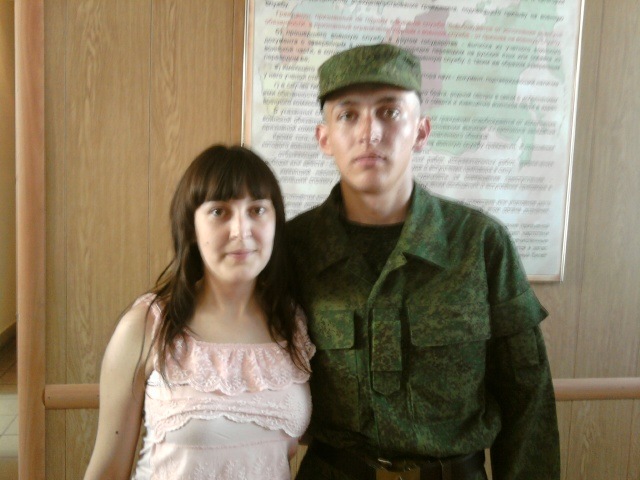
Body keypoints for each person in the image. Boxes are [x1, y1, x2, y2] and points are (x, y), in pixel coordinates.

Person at [287, 43, 560, 480]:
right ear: (324, 138)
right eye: (348, 115)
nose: (370, 133)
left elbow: (527, 397)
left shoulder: (479, 244)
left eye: (390, 112)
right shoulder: (293, 249)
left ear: (421, 130)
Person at [84, 145, 314, 480]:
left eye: (257, 210)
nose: (241, 231)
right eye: (220, 211)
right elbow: (108, 469)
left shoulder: (293, 324)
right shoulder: (147, 325)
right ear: (192, 226)